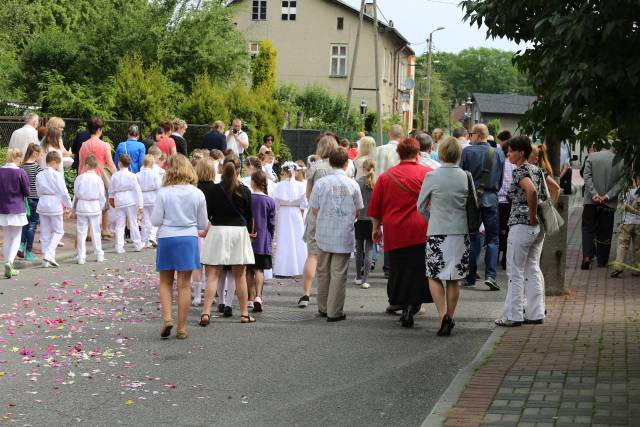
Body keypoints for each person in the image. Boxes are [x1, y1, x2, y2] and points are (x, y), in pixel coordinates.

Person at [368, 138, 433, 320]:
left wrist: (376, 228)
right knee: (419, 267)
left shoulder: (386, 177)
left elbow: (375, 207)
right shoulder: (428, 174)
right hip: (422, 228)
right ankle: (415, 303)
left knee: (399, 268)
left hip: (395, 230)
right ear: (417, 154)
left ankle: (401, 302)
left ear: (399, 154)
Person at [418, 137, 472, 336]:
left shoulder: (432, 176)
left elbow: (420, 206)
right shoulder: (466, 176)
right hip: (460, 230)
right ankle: (451, 314)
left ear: (440, 153)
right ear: (459, 154)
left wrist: (433, 218)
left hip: (437, 230)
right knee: (453, 277)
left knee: (433, 274)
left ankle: (442, 316)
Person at [151, 154, 208, 340]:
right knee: (184, 285)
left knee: (166, 282)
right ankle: (182, 328)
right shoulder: (197, 193)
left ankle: (167, 318)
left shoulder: (164, 192)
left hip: (167, 237)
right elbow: (202, 224)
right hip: (188, 238)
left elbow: (156, 220)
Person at [199, 154, 256, 325]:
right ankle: (244, 313)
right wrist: (251, 233)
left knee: (213, 275)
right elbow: (249, 216)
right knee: (239, 275)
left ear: (222, 170)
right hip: (238, 232)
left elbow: (207, 215)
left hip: (218, 231)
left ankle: (206, 313)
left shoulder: (213, 190)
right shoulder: (245, 190)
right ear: (238, 171)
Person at [495, 136, 546, 327]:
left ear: (521, 153)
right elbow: (553, 189)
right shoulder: (537, 169)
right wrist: (538, 214)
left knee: (515, 270)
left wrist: (531, 215)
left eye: (511, 151)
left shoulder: (520, 172)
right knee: (532, 268)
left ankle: (513, 315)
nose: (508, 154)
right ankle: (536, 312)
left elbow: (531, 191)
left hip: (521, 224)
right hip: (538, 227)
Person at [310, 148, 363, 322]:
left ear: (330, 162)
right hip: (343, 234)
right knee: (339, 273)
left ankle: (323, 307)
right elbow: (357, 211)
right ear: (347, 163)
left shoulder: (320, 183)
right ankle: (334, 311)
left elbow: (315, 209)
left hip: (324, 233)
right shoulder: (353, 184)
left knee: (323, 271)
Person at [460, 123, 505, 290]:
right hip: (492, 197)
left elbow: (462, 175)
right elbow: (500, 180)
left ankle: (470, 276)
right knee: (493, 238)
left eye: (471, 134)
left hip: (472, 199)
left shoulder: (467, 152)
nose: (470, 136)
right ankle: (491, 276)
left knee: (473, 237)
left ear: (478, 135)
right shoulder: (498, 153)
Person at [298, 133, 339, 307]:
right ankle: (329, 295)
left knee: (313, 255)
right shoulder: (340, 168)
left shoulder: (314, 167)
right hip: (335, 215)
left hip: (316, 214)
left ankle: (306, 294)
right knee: (333, 257)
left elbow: (308, 194)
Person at [581, 144, 624, 269]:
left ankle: (587, 256)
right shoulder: (620, 160)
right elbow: (622, 182)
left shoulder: (592, 157)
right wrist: (607, 196)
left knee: (587, 229)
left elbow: (586, 175)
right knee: (605, 231)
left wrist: (594, 194)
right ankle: (602, 260)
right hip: (608, 202)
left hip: (590, 201)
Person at [78, 117, 117, 239]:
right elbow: (110, 163)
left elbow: (81, 163)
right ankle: (104, 229)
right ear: (99, 130)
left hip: (85, 175)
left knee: (89, 203)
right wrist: (116, 174)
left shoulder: (84, 145)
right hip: (100, 176)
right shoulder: (105, 145)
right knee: (103, 204)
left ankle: (89, 232)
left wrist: (79, 177)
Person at [36, 151, 72, 268]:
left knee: (45, 232)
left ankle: (45, 260)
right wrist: (68, 205)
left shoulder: (39, 174)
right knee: (59, 230)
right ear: (54, 162)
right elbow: (64, 191)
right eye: (58, 164)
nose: (58, 167)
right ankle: (49, 253)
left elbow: (38, 191)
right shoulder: (57, 175)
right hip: (54, 203)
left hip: (43, 202)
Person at [247, 171, 276, 312]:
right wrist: (270, 236)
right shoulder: (269, 201)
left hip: (247, 238)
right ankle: (259, 296)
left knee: (248, 270)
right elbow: (272, 223)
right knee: (259, 269)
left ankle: (250, 299)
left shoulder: (248, 198)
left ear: (253, 182)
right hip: (263, 239)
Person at [273, 162, 308, 277]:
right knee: (297, 238)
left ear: (284, 171)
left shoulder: (279, 186)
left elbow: (275, 204)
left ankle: (283, 268)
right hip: (296, 212)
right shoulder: (301, 186)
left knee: (284, 238)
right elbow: (304, 204)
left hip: (283, 213)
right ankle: (299, 266)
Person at [0, 148, 30, 278]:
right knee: (16, 237)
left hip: (3, 208)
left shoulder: (0, 171)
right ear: (19, 158)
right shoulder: (21, 172)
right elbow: (27, 191)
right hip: (17, 207)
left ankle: (7, 262)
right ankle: (9, 262)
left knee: (6, 237)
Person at [73, 154, 106, 264]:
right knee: (96, 231)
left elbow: (76, 193)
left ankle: (81, 256)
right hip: (94, 206)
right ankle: (99, 254)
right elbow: (102, 195)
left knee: (81, 231)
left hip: (82, 205)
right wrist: (100, 206)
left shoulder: (80, 178)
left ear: (86, 165)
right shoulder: (98, 179)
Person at [109, 154, 144, 253]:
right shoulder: (132, 175)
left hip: (119, 200)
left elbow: (111, 190)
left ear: (120, 163)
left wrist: (111, 199)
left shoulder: (115, 175)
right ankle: (137, 244)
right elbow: (137, 190)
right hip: (130, 200)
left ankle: (119, 246)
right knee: (133, 222)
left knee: (119, 224)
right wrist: (140, 204)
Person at [610, 176, 640, 278]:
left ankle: (618, 267)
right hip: (639, 224)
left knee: (622, 244)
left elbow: (623, 205)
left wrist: (628, 207)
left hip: (627, 222)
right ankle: (637, 268)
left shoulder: (627, 191)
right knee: (638, 247)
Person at [18, 144, 44, 261]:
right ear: (35, 154)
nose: (41, 157)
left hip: (24, 199)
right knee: (32, 225)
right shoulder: (37, 168)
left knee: (25, 223)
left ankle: (21, 245)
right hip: (35, 199)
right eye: (40, 154)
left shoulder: (21, 167)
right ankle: (29, 252)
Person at [354, 159, 376, 289]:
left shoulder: (357, 183)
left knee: (359, 249)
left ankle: (358, 276)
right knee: (369, 250)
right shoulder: (377, 182)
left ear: (363, 168)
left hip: (360, 219)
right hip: (372, 220)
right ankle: (365, 280)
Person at [137, 155, 163, 248]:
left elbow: (136, 188)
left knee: (144, 219)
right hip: (153, 197)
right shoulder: (154, 174)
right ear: (152, 163)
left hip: (142, 197)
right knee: (154, 218)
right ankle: (152, 236)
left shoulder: (138, 174)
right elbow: (158, 186)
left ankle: (144, 239)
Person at [497, 131, 514, 270]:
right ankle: (505, 261)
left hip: (497, 201)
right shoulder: (515, 166)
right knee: (509, 232)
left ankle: (493, 258)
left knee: (496, 232)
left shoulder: (498, 163)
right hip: (510, 202)